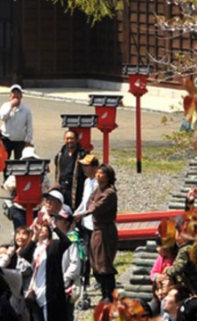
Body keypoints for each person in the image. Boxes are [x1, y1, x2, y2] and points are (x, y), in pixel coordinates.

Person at [75, 164, 118, 303]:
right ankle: (104, 292)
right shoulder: (97, 189)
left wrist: (84, 213)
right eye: (97, 173)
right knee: (95, 263)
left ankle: (108, 294)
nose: (98, 176)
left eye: (102, 173)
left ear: (108, 176)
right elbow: (89, 202)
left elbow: (96, 206)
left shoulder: (110, 192)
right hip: (96, 229)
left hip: (105, 231)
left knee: (104, 263)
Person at [53, 129, 89, 209]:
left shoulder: (83, 154)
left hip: (78, 189)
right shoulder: (60, 155)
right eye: (67, 138)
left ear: (76, 139)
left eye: (72, 138)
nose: (69, 141)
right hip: (62, 188)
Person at [0, 85, 35, 161]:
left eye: (18, 93)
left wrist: (28, 140)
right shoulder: (5, 106)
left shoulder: (26, 109)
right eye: (13, 93)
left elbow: (29, 126)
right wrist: (11, 106)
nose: (15, 95)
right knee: (5, 161)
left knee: (19, 162)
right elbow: (2, 117)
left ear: (21, 96)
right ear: (10, 96)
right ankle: (6, 173)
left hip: (20, 139)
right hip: (6, 138)